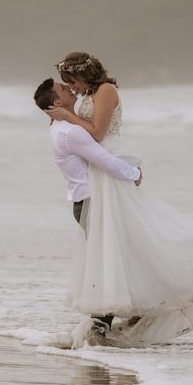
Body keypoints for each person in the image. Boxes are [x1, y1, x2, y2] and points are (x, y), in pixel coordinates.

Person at [46, 52, 193, 348]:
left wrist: (69, 117)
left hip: (110, 163)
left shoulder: (106, 90)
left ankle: (162, 290)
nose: (75, 88)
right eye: (69, 84)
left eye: (74, 82)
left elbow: (97, 133)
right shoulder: (89, 94)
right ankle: (106, 316)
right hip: (99, 169)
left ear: (87, 74)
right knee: (110, 242)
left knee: (131, 235)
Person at [34, 78, 143, 341]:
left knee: (115, 257)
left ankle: (122, 315)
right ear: (57, 102)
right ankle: (100, 325)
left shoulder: (63, 126)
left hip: (86, 202)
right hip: (92, 203)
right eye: (63, 88)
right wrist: (134, 173)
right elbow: (102, 159)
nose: (69, 88)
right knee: (109, 260)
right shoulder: (70, 131)